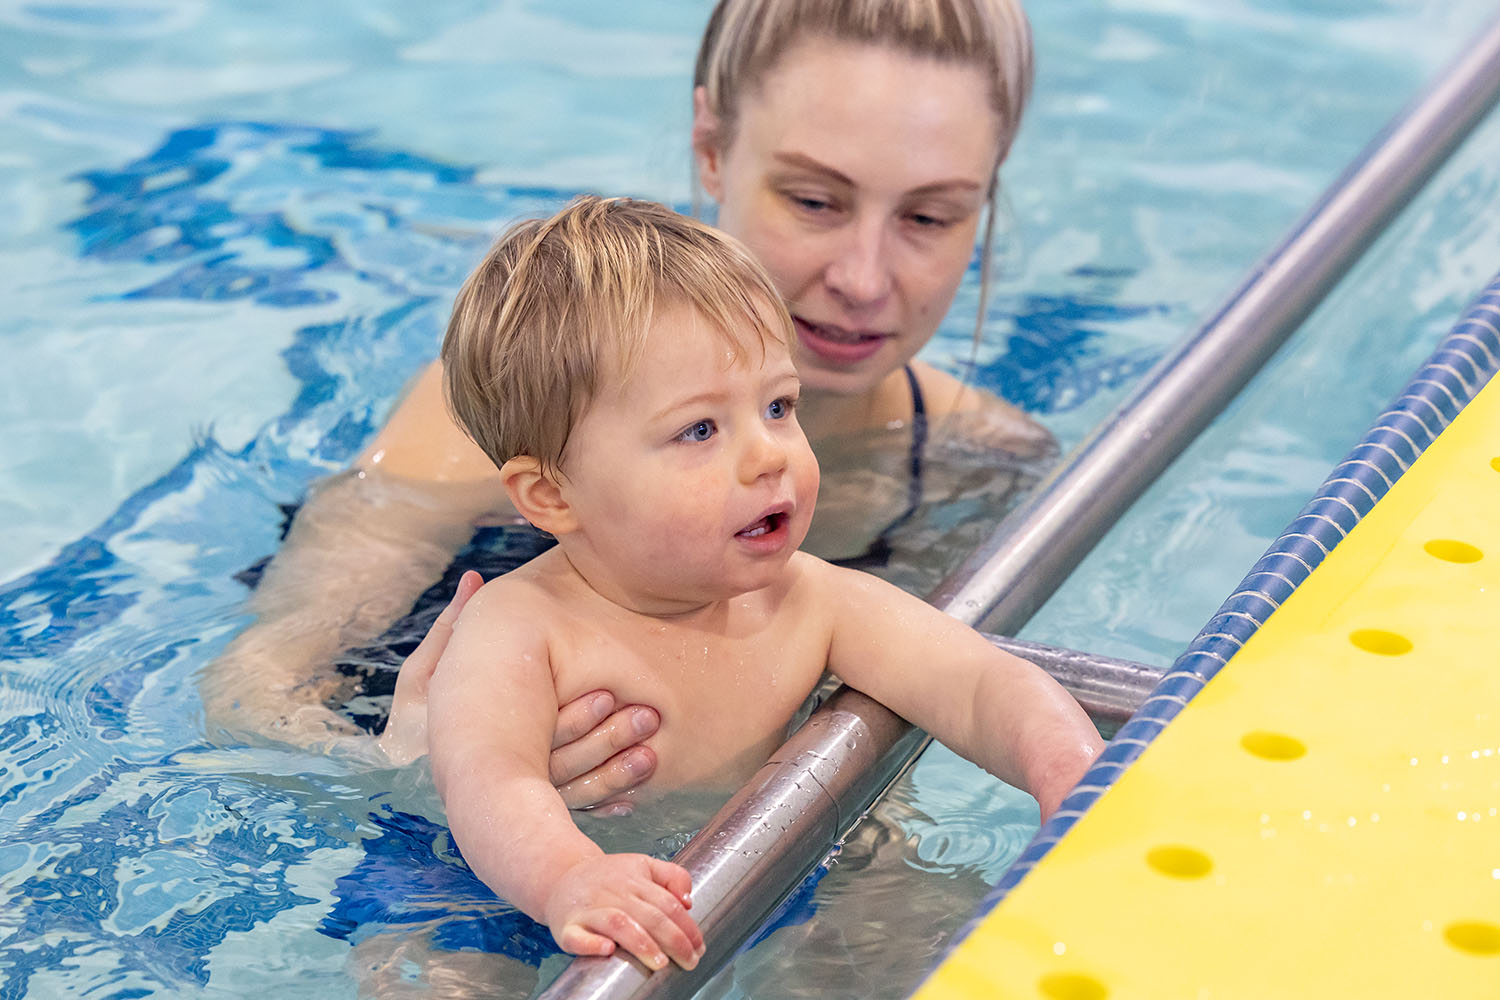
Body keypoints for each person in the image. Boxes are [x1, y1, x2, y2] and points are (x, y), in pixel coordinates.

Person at [201, 0, 1057, 812]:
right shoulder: (478, 430)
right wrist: (413, 768)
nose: (864, 281)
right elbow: (253, 690)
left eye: (930, 217)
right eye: (814, 201)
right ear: (712, 148)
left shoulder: (978, 461)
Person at [420, 196, 1101, 971]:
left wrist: (1073, 775)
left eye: (778, 406)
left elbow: (976, 681)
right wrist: (569, 876)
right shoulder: (519, 629)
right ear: (553, 496)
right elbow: (491, 781)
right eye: (700, 430)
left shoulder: (812, 600)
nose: (769, 454)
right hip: (475, 894)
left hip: (754, 890)